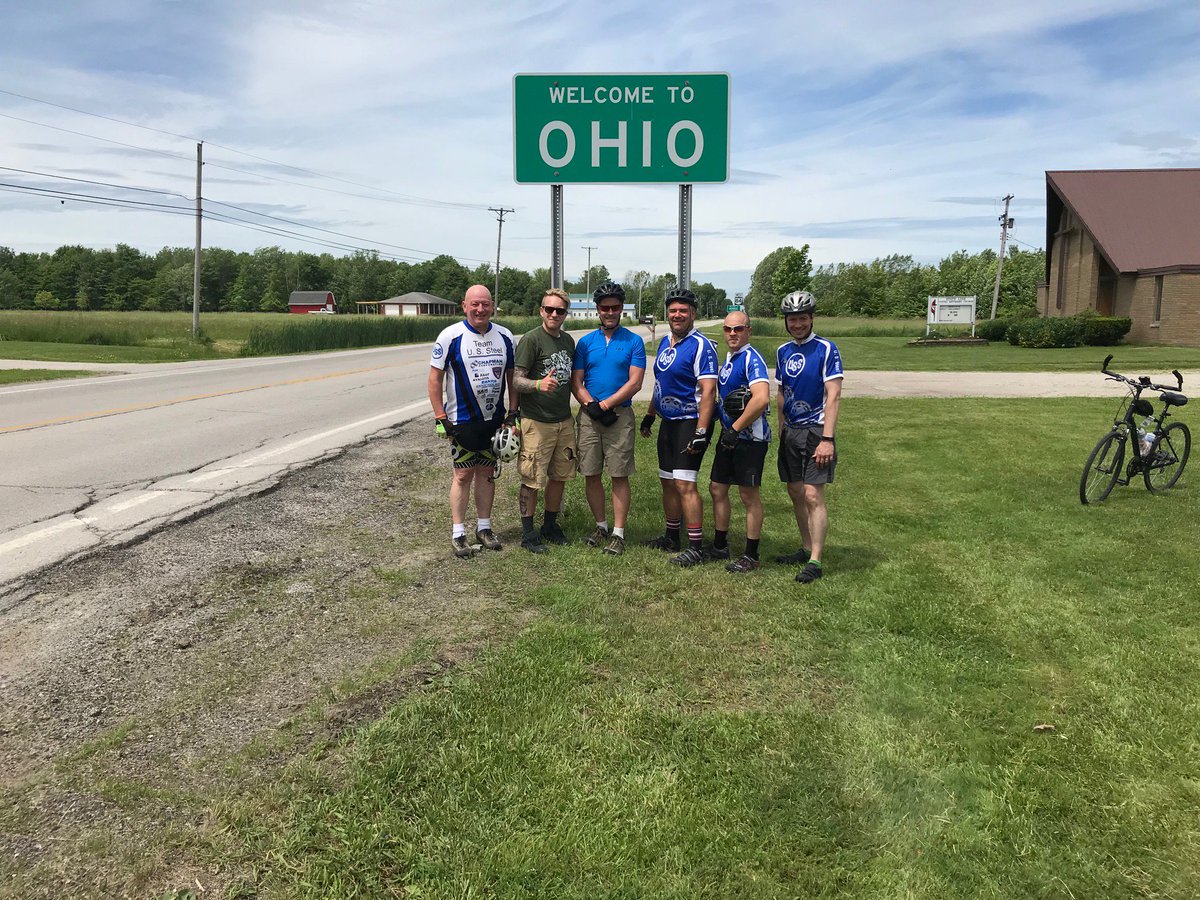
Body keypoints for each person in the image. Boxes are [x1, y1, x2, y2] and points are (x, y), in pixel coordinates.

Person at [428, 284, 516, 559]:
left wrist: (513, 413)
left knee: (487, 474)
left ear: (492, 306)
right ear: (464, 305)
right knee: (463, 474)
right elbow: (434, 379)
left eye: (485, 304)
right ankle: (458, 533)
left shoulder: (505, 336)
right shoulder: (450, 336)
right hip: (460, 421)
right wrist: (440, 417)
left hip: (493, 420)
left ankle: (484, 528)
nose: (480, 309)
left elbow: (512, 378)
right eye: (474, 304)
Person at [639, 286, 718, 567]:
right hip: (668, 423)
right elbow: (661, 384)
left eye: (683, 310)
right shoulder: (665, 343)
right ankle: (672, 536)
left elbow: (709, 391)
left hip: (690, 422)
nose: (677, 314)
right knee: (668, 482)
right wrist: (650, 414)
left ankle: (695, 546)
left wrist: (701, 432)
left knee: (685, 483)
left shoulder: (701, 346)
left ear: (693, 314)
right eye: (673, 310)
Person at [571, 281, 646, 556]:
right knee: (590, 472)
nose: (611, 312)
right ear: (598, 309)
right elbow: (576, 380)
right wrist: (590, 405)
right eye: (605, 307)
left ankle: (618, 532)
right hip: (590, 416)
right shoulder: (586, 343)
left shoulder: (633, 341)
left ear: (621, 309)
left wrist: (605, 405)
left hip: (619, 416)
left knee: (618, 474)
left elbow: (635, 382)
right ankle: (600, 526)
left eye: (615, 307)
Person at [773, 290, 843, 583]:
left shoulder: (826, 349)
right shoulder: (782, 351)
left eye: (802, 318)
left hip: (817, 430)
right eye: (792, 319)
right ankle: (804, 547)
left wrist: (827, 438)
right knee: (796, 492)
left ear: (812, 318)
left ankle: (815, 560)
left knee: (813, 495)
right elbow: (780, 391)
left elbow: (834, 393)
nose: (798, 324)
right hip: (791, 431)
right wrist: (781, 427)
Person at [512, 288, 577, 553]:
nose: (553, 314)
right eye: (548, 309)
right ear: (541, 311)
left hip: (563, 420)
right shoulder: (531, 340)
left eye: (559, 311)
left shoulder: (568, 342)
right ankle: (528, 533)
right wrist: (538, 384)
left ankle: (550, 525)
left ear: (565, 314)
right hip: (536, 422)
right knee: (532, 478)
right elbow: (516, 380)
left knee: (559, 476)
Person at [709, 310, 772, 573]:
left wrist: (735, 428)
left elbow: (761, 398)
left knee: (748, 494)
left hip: (750, 438)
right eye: (728, 329)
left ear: (748, 330)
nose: (732, 334)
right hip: (730, 436)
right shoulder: (732, 358)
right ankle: (720, 544)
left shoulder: (751, 358)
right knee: (717, 488)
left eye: (738, 329)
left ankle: (751, 555)